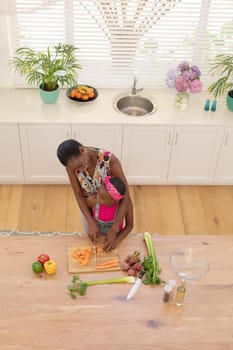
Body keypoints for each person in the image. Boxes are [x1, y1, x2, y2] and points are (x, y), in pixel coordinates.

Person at [57, 139, 133, 251]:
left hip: (114, 215)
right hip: (90, 213)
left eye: (80, 165)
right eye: (76, 169)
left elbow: (125, 195)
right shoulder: (71, 166)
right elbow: (78, 194)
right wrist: (91, 222)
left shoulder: (110, 160)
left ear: (82, 150)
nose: (81, 170)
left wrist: (113, 230)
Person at [88, 175, 133, 244]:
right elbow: (87, 216)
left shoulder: (127, 205)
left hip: (115, 238)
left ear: (114, 201)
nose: (97, 198)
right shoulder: (92, 200)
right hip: (96, 239)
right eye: (98, 193)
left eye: (102, 198)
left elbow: (129, 225)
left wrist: (117, 240)